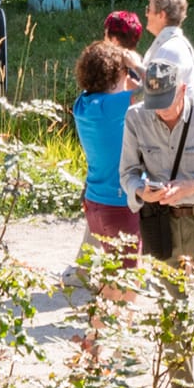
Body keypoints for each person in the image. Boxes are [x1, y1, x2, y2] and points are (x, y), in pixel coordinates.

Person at [119, 56, 194, 387]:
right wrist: (142, 191)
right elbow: (127, 174)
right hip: (163, 225)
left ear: (183, 90)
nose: (160, 111)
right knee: (171, 312)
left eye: (167, 103)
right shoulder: (135, 117)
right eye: (153, 103)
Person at [70, 40, 141, 279]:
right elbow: (160, 88)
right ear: (119, 74)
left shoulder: (82, 104)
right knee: (125, 282)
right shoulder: (114, 106)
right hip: (119, 204)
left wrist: (122, 76)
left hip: (94, 202)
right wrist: (137, 66)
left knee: (114, 275)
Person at [103, 11, 145, 86]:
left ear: (114, 40)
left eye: (105, 34)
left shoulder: (110, 69)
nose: (104, 38)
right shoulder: (144, 63)